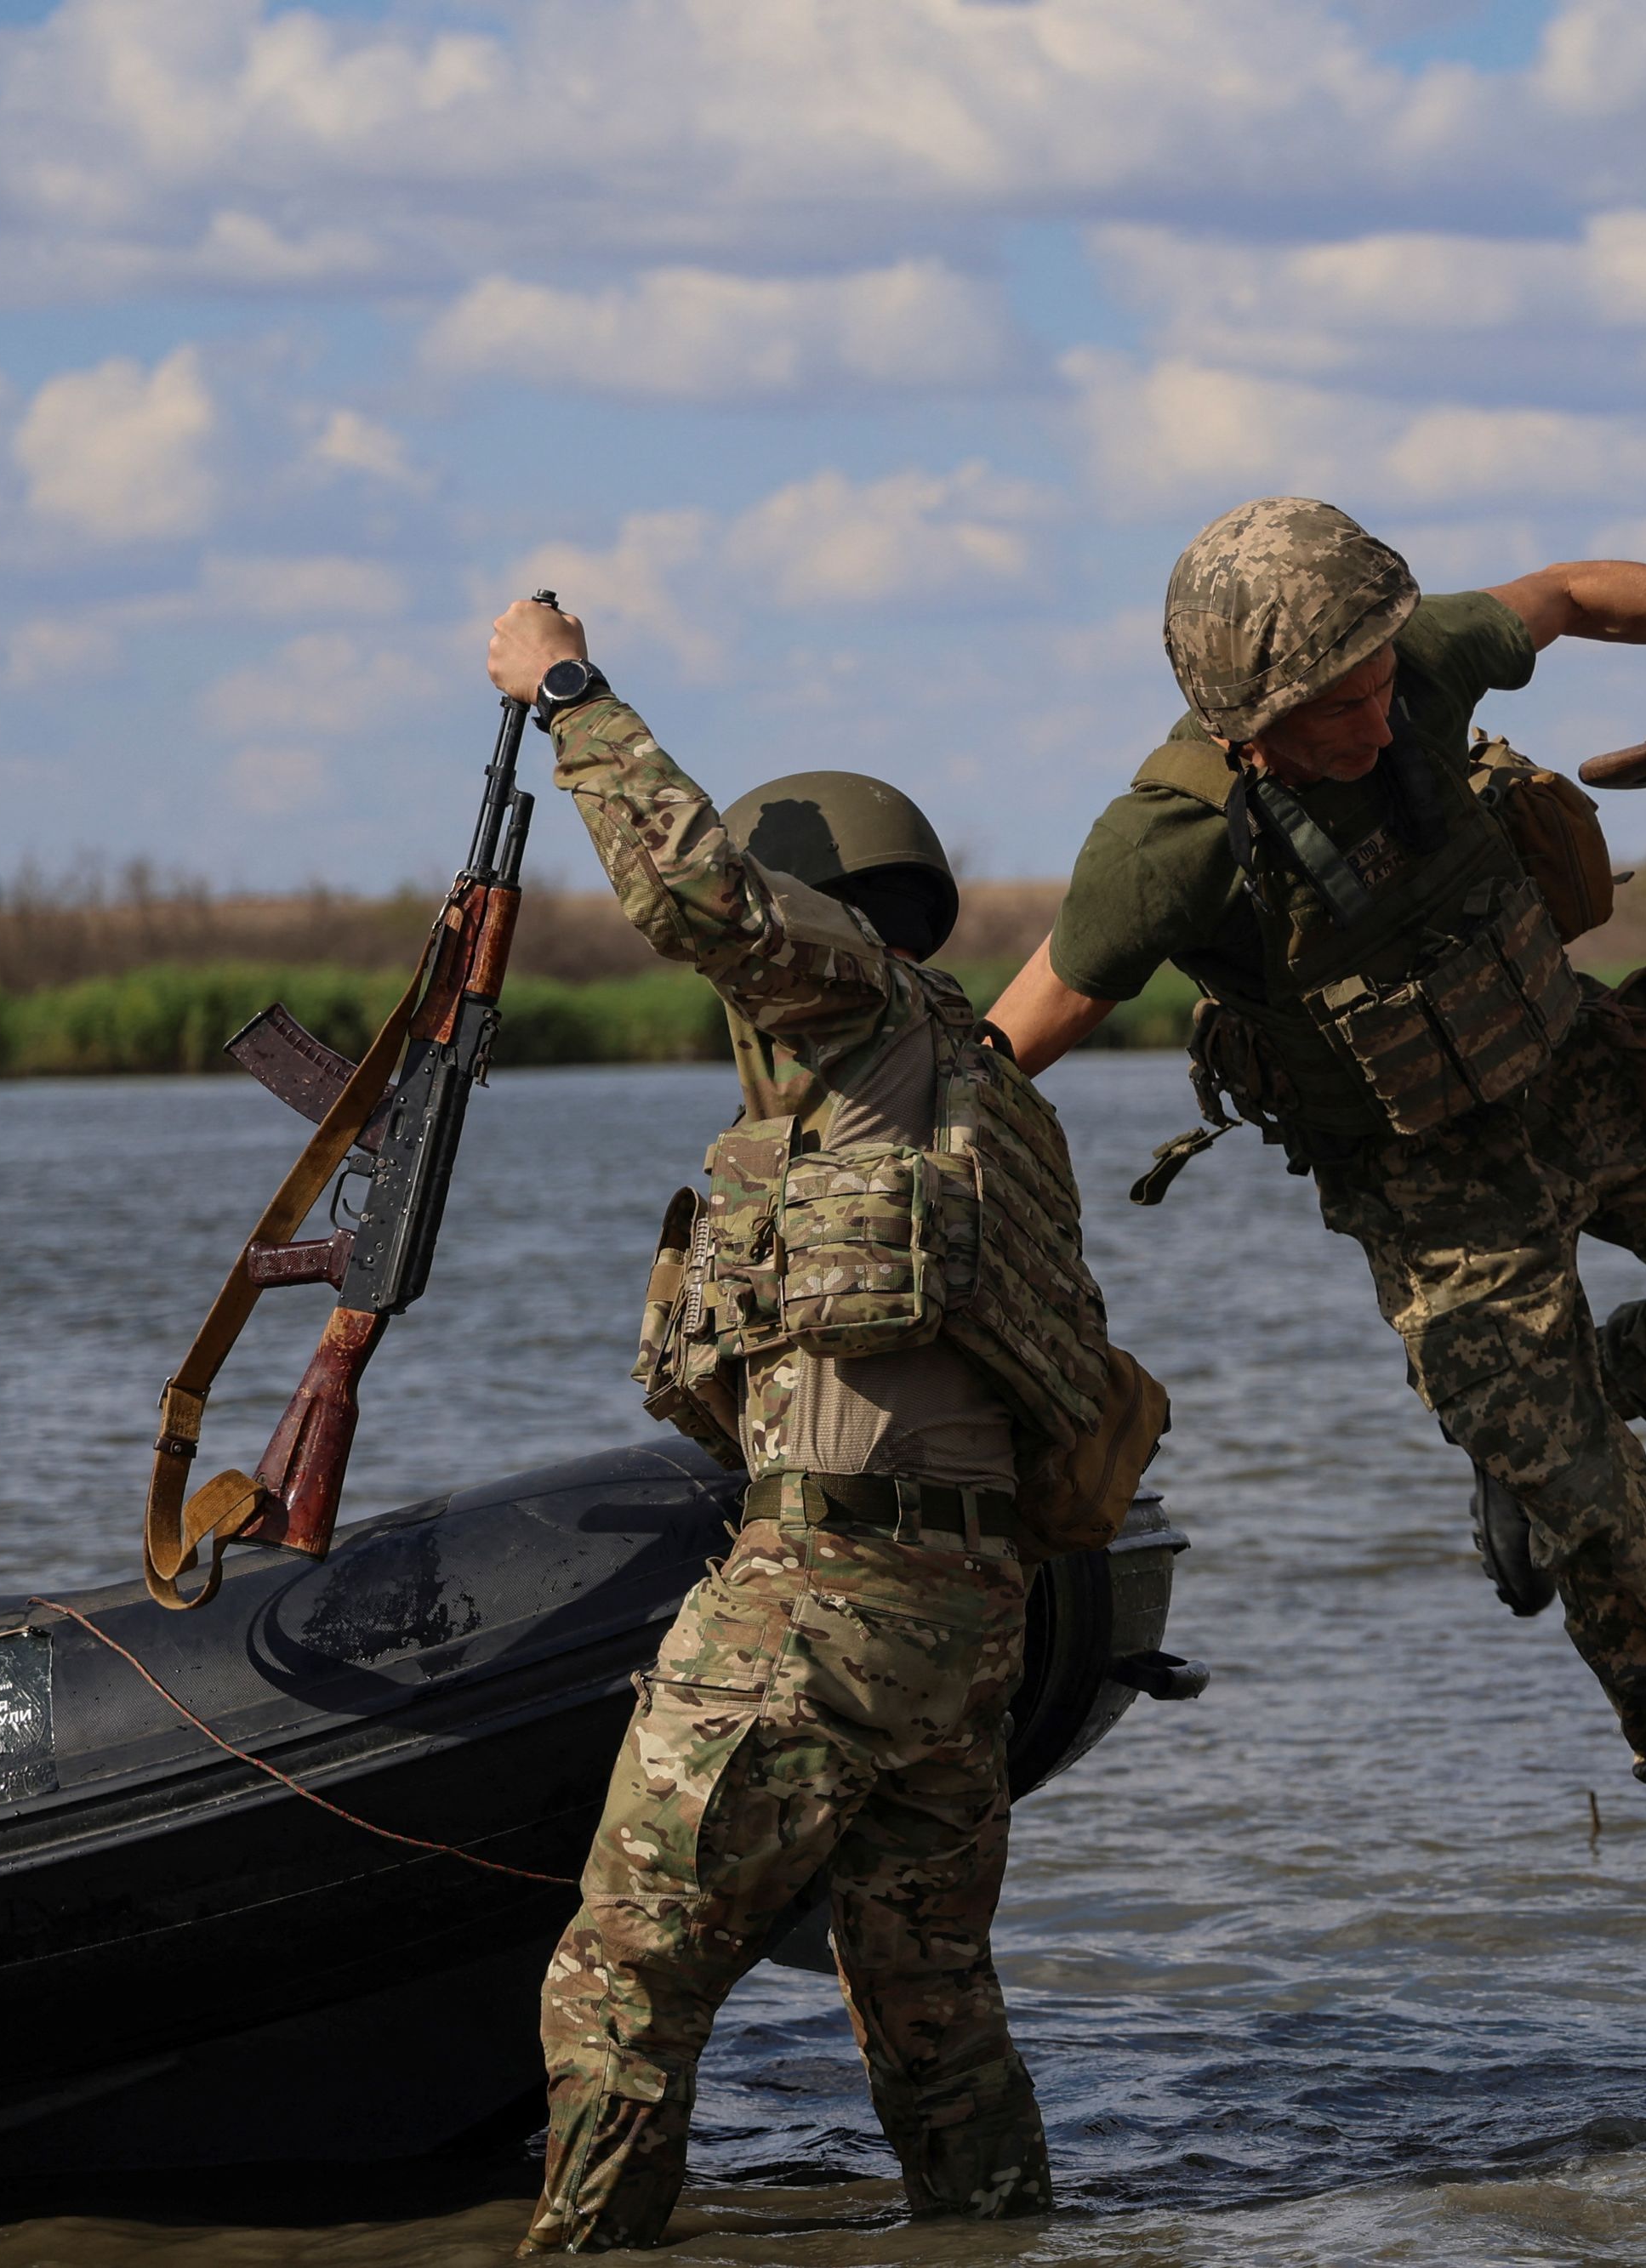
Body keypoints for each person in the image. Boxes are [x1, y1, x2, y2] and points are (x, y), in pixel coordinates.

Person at [986, 497, 1646, 2071]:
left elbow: (1572, 590)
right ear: (1239, 718)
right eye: (1328, 712)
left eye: (1377, 687)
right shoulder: (1163, 849)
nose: (1373, 719)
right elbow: (1005, 1047)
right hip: (1435, 1193)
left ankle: (1571, 1406)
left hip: (1591, 1078)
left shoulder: (1404, 663)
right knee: (1608, 1543)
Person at [486, 598, 1161, 2251]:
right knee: (933, 2019)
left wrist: (565, 690)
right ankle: (995, 2235)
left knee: (617, 1977)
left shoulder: (847, 1000)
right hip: (966, 1621)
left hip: (828, 1590)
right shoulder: (984, 1088)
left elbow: (690, 883)